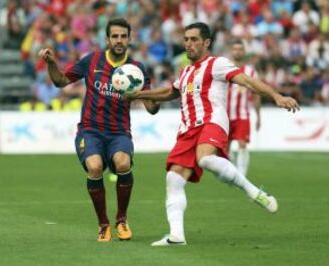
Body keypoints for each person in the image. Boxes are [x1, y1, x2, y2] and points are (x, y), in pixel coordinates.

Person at [127, 22, 299, 246]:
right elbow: (171, 92)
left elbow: (247, 81)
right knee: (174, 178)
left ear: (206, 42)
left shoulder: (218, 64)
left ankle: (253, 192)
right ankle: (177, 236)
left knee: (206, 158)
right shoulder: (186, 71)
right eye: (186, 39)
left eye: (194, 39)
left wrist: (276, 96)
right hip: (187, 129)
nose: (188, 44)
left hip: (212, 121)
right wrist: (139, 94)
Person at [38, 18, 159, 242]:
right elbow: (61, 81)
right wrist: (52, 63)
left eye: (123, 36)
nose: (119, 40)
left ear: (129, 38)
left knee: (122, 164)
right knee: (94, 167)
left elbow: (152, 109)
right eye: (115, 36)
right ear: (107, 39)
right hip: (90, 130)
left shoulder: (136, 69)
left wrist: (142, 94)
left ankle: (121, 220)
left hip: (119, 132)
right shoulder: (92, 61)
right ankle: (103, 225)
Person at [227, 39, 261, 175]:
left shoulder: (251, 72)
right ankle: (232, 169)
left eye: (240, 49)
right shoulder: (225, 69)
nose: (237, 51)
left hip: (242, 115)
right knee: (224, 147)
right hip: (224, 115)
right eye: (235, 49)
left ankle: (242, 173)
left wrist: (259, 117)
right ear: (231, 51)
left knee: (242, 144)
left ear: (244, 52)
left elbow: (257, 95)